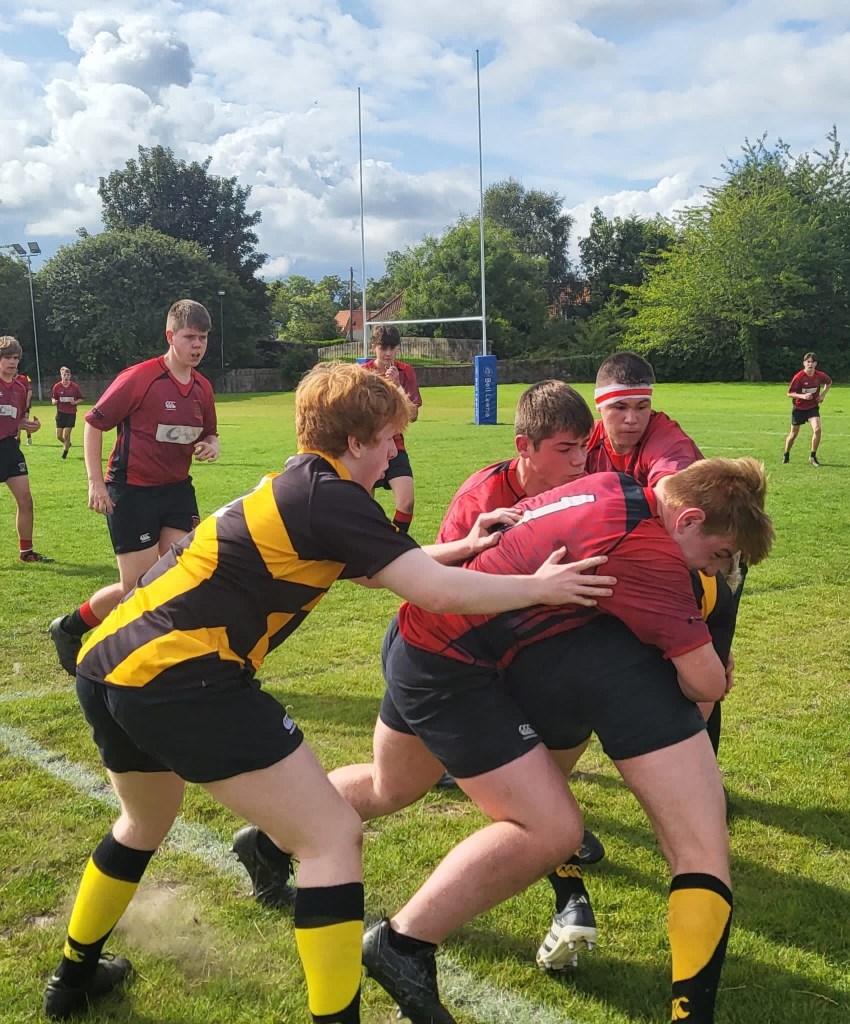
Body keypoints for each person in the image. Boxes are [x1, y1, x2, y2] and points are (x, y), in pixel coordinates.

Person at [41, 361, 615, 1023]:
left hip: (110, 663)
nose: (395, 451)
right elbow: (432, 592)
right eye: (389, 438)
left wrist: (465, 544)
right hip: (182, 677)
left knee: (143, 823)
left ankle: (70, 980)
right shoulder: (333, 498)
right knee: (331, 838)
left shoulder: (304, 483)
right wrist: (540, 587)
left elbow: (378, 569)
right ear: (355, 441)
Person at [356, 457, 773, 1024]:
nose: (716, 570)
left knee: (390, 787)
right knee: (550, 829)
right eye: (720, 554)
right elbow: (704, 684)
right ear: (689, 519)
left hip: (425, 640)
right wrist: (708, 667)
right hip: (450, 669)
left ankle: (278, 837)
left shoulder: (615, 486)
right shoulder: (649, 551)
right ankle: (403, 943)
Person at [49, 300, 220, 676]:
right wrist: (95, 483)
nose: (197, 345)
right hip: (132, 490)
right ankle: (70, 628)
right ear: (170, 336)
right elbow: (93, 424)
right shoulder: (141, 378)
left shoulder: (203, 388)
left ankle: (168, 657)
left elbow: (210, 432)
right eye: (190, 337)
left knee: (181, 576)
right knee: (136, 587)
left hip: (177, 490)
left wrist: (212, 444)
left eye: (204, 338)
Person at [361, 325, 421, 533]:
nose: (387, 353)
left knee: (406, 501)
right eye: (383, 348)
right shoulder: (362, 374)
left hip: (394, 445)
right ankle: (368, 544)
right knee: (365, 505)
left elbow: (413, 415)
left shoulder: (405, 372)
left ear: (397, 349)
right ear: (374, 347)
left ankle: (397, 543)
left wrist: (397, 386)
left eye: (392, 348)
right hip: (367, 445)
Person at [0, 336, 53, 563]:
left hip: (11, 449)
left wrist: (28, 425)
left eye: (15, 358)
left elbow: (17, 418)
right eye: (6, 357)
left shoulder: (20, 388)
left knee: (26, 501)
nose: (12, 362)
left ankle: (26, 552)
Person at [783, 352, 832, 466]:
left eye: (812, 362)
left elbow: (829, 382)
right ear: (804, 363)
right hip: (799, 408)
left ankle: (812, 456)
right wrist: (802, 396)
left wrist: (823, 395)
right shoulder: (799, 377)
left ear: (816, 364)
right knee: (793, 434)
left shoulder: (819, 375)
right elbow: (789, 393)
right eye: (808, 362)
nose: (810, 364)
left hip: (812, 407)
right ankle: (786, 454)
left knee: (817, 429)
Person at [51, 367, 84, 459]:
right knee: (59, 436)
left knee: (67, 434)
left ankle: (65, 453)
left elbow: (81, 398)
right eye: (64, 375)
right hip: (60, 413)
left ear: (70, 376)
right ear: (61, 375)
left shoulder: (75, 387)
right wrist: (53, 401)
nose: (66, 376)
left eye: (68, 375)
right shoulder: (57, 386)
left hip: (71, 413)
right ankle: (67, 443)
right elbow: (53, 397)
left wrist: (75, 402)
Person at [15, 368, 34, 445]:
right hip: (15, 405)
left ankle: (29, 436)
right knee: (17, 423)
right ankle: (18, 439)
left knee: (25, 422)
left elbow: (29, 390)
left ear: (17, 370)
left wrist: (27, 401)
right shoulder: (9, 379)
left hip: (24, 405)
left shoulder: (23, 378)